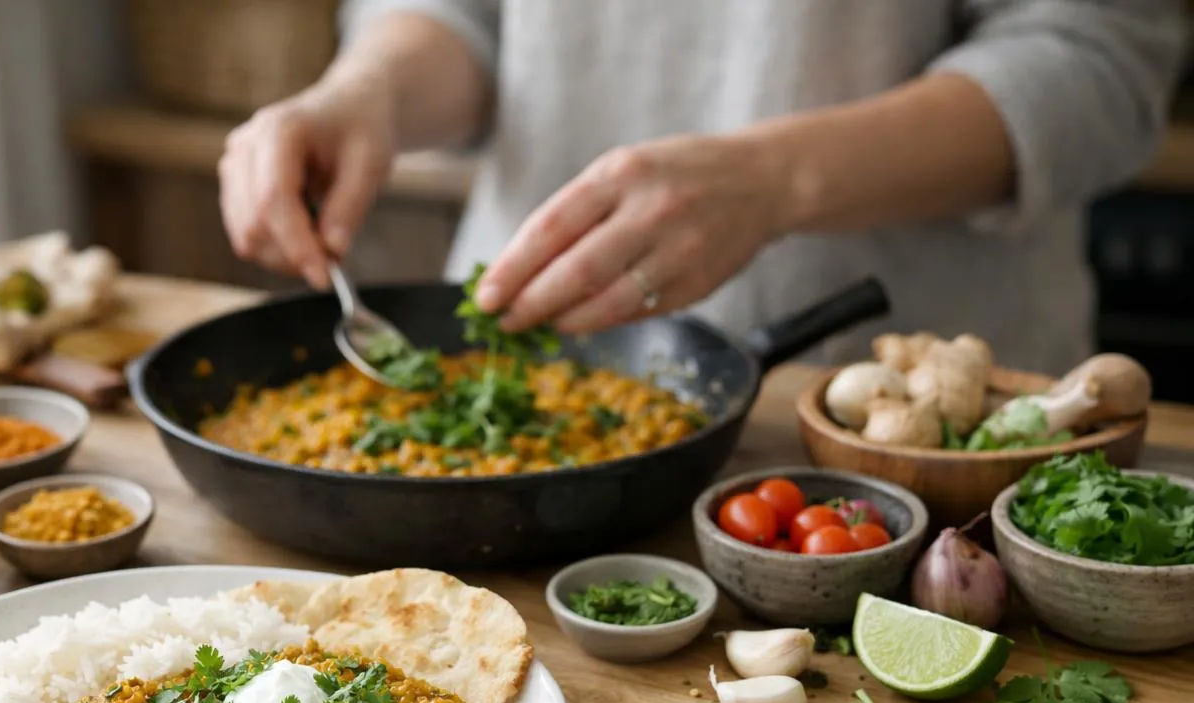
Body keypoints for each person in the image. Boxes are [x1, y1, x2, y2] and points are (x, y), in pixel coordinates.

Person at [218, 1, 1186, 374]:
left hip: (891, 417)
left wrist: (773, 181)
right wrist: (369, 92)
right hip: (512, 372)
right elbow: (460, 17)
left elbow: (1097, 62)